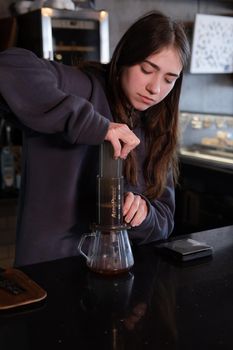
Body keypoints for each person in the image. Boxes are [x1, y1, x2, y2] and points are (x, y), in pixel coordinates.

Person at [0, 10, 190, 266]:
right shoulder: (82, 87)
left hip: (118, 275)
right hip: (50, 275)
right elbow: (9, 65)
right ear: (125, 57)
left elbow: (164, 221)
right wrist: (97, 127)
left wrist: (143, 213)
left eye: (169, 79)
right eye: (147, 69)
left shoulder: (158, 128)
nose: (155, 89)